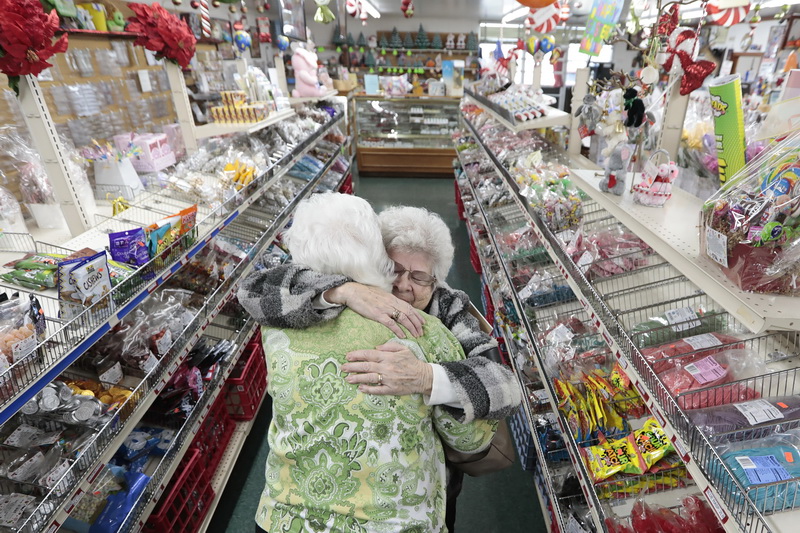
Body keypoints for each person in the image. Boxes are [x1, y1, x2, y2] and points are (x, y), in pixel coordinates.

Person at [239, 203, 522, 531]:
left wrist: (428, 377)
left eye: (419, 277)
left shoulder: (449, 312)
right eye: (394, 269)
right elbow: (254, 289)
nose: (403, 286)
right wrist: (341, 291)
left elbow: (506, 387)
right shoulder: (349, 293)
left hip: (437, 481)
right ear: (373, 261)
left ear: (436, 281)